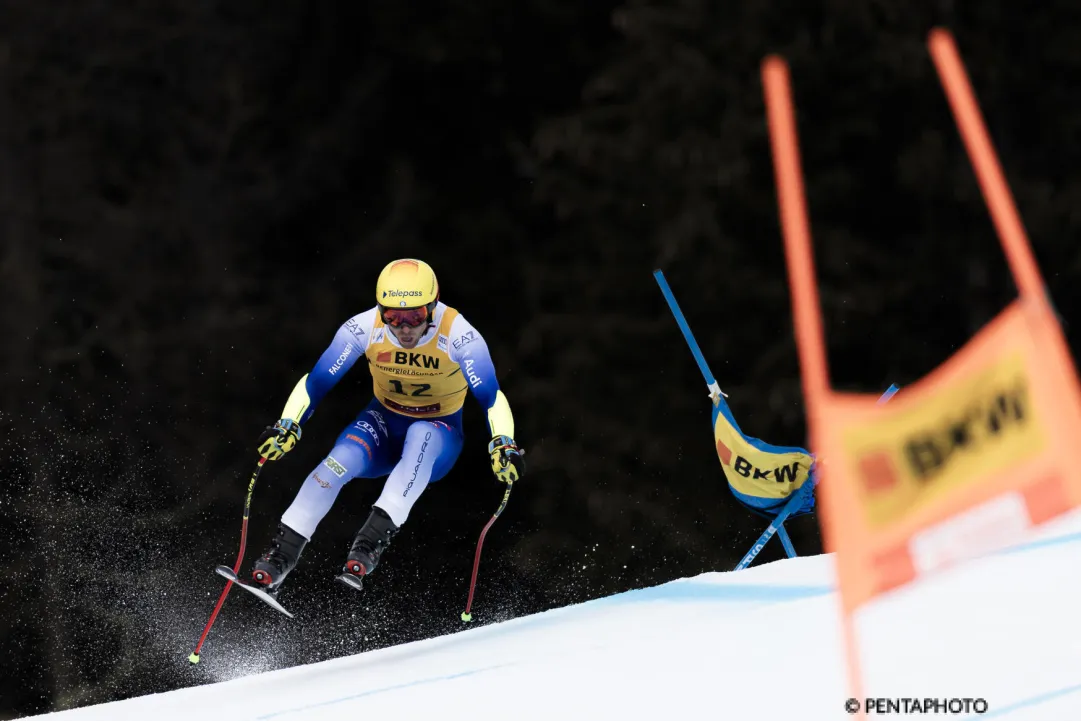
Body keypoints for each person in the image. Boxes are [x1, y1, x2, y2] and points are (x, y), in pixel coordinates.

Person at [250, 258, 524, 596]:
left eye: (415, 317)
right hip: (382, 422)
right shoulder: (363, 328)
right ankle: (280, 558)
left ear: (433, 308)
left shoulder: (460, 335)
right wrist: (288, 425)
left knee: (421, 436)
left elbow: (490, 396)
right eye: (393, 316)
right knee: (339, 461)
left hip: (438, 432)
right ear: (380, 311)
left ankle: (368, 545)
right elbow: (316, 382)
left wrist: (503, 443)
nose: (404, 328)